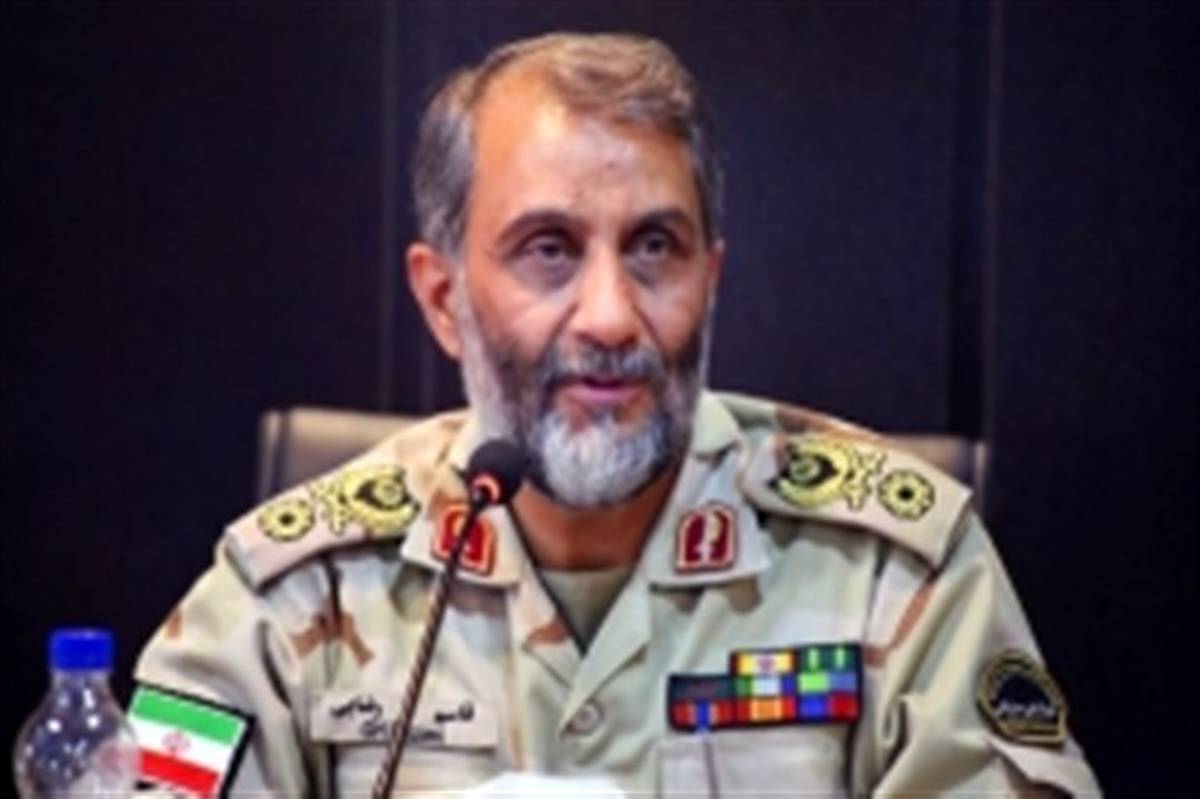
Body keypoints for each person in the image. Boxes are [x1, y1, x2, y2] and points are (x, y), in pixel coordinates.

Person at [130, 33, 1101, 796]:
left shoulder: (898, 571)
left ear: (709, 280)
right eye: (549, 249)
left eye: (654, 249)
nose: (609, 316)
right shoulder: (295, 589)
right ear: (443, 299)